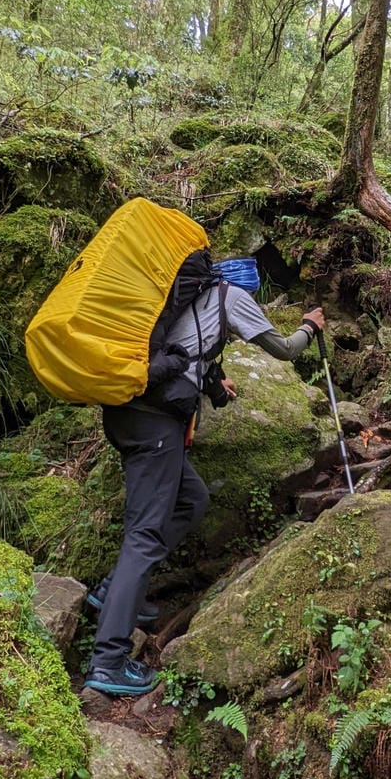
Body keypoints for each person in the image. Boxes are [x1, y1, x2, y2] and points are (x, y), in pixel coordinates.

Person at [84, 253, 326, 696]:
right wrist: (309, 326)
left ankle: (116, 591)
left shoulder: (183, 301)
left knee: (191, 498)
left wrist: (215, 385)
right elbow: (284, 349)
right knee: (144, 535)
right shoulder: (232, 297)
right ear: (247, 285)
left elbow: (191, 350)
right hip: (155, 423)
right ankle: (109, 661)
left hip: (130, 415)